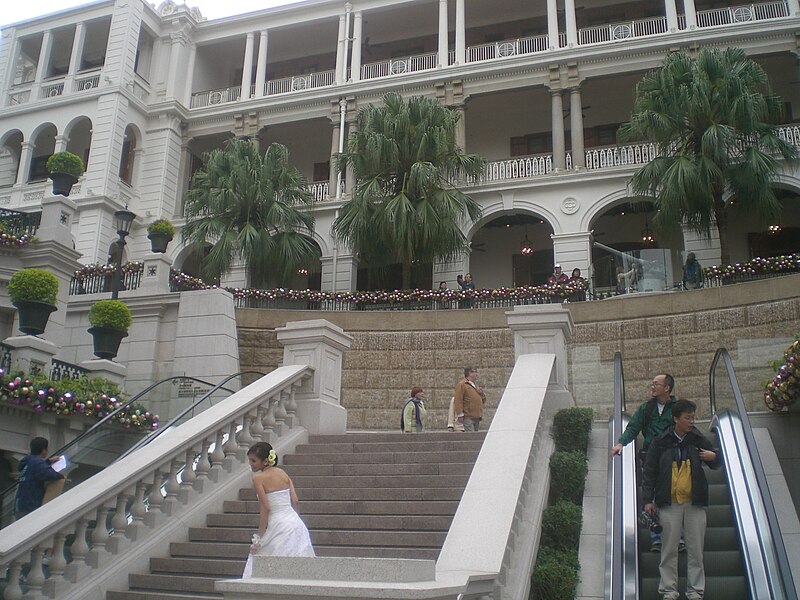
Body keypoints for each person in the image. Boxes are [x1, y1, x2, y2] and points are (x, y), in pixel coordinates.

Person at [641, 399, 721, 600]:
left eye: (693, 417)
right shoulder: (660, 442)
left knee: (696, 549)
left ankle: (695, 591)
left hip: (695, 503)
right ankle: (669, 590)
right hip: (669, 503)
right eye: (688, 417)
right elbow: (649, 472)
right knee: (668, 548)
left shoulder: (697, 439)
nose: (692, 421)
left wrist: (714, 456)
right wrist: (647, 499)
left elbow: (715, 462)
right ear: (676, 419)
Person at [611, 374, 678, 552]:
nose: (652, 387)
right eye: (652, 384)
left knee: (675, 494)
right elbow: (633, 428)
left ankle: (678, 537)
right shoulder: (646, 408)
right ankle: (657, 537)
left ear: (667, 388)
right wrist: (620, 443)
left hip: (673, 456)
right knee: (652, 494)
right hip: (651, 456)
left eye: (656, 384)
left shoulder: (677, 408)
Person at [242, 442, 315, 578]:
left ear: (265, 461)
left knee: (265, 561)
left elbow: (265, 507)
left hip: (278, 523)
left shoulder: (258, 478)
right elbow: (295, 500)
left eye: (253, 460)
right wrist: (296, 519)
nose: (251, 464)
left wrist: (260, 536)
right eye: (250, 460)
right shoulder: (282, 473)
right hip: (295, 523)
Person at [14, 437, 64, 520]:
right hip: (31, 505)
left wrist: (47, 462)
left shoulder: (27, 461)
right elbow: (49, 474)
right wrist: (60, 476)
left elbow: (34, 470)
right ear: (44, 450)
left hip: (20, 504)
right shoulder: (38, 463)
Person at [453, 366, 486, 432]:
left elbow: (483, 400)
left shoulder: (475, 385)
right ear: (469, 373)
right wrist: (460, 414)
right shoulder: (462, 384)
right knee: (471, 434)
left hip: (476, 415)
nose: (477, 374)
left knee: (475, 435)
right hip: (468, 416)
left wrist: (482, 394)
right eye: (475, 372)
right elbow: (458, 399)